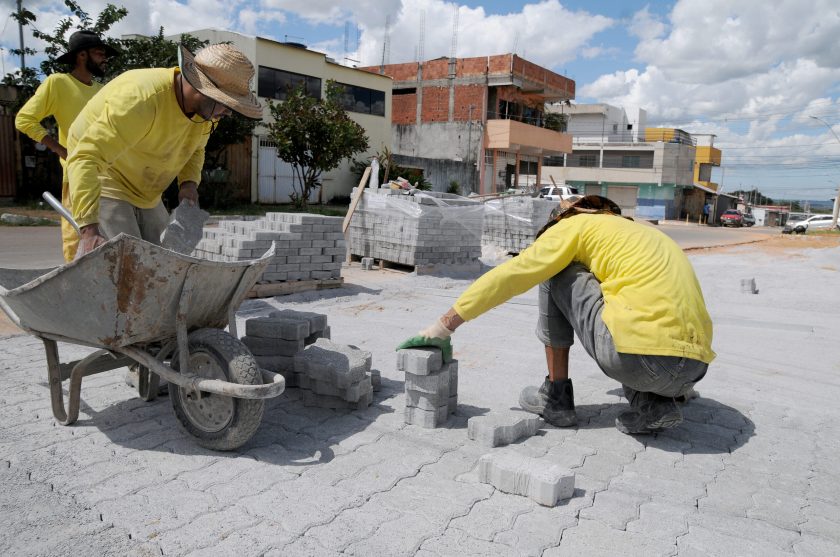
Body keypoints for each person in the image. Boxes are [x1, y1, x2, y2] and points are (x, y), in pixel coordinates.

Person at [398, 195, 715, 435]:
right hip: (694, 367)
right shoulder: (637, 235)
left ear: (563, 218)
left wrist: (445, 324)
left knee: (555, 271)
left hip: (642, 360)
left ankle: (556, 400)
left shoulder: (572, 227)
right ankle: (658, 403)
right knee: (629, 315)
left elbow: (514, 273)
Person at [66, 43, 263, 257]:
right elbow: (85, 157)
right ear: (202, 89)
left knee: (162, 259)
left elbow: (196, 149)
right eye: (226, 103)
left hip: (146, 191)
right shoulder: (141, 100)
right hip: (105, 179)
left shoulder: (206, 114)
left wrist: (188, 184)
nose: (228, 112)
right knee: (125, 263)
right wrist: (89, 230)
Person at [15, 30, 118, 262]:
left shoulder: (103, 90)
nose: (105, 58)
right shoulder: (58, 83)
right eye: (100, 53)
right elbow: (24, 119)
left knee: (111, 240)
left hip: (110, 178)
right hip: (77, 176)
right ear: (82, 56)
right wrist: (61, 150)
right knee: (78, 239)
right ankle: (76, 289)